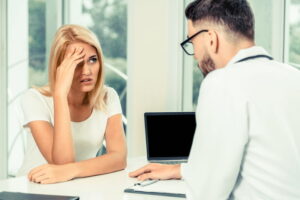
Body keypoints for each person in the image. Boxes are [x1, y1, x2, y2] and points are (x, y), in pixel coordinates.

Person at [129, 0, 300, 199]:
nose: (195, 56)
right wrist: (184, 170)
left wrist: (196, 178)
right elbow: (270, 161)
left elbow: (207, 192)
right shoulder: (293, 76)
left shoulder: (222, 82)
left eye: (191, 42)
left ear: (211, 38)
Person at [17, 24, 127, 184]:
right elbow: (62, 163)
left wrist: (73, 170)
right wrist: (60, 95)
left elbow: (119, 158)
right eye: (77, 63)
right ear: (60, 68)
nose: (87, 71)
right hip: (34, 190)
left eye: (92, 60)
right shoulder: (34, 99)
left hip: (77, 186)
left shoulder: (108, 97)